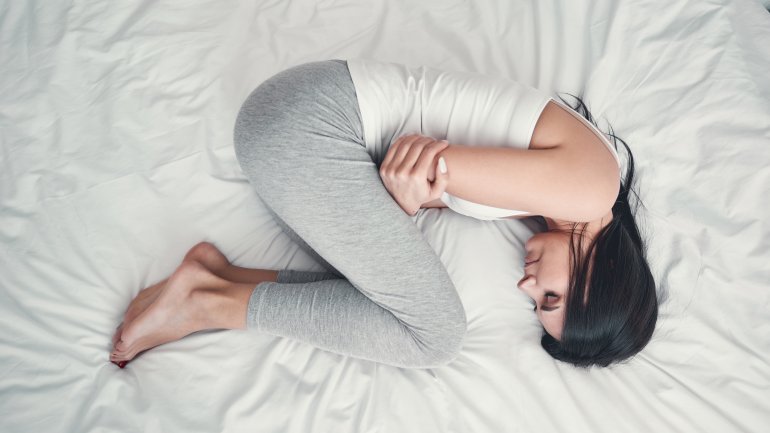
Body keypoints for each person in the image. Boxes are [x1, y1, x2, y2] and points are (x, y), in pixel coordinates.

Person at [110, 59, 657, 369]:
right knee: (435, 336)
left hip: (305, 138)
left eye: (535, 304)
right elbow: (418, 165)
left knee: (386, 299)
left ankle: (218, 278)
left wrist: (409, 200)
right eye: (550, 297)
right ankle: (209, 304)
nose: (526, 286)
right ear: (603, 276)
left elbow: (414, 184)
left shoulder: (545, 208)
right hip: (308, 126)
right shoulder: (589, 190)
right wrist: (408, 199)